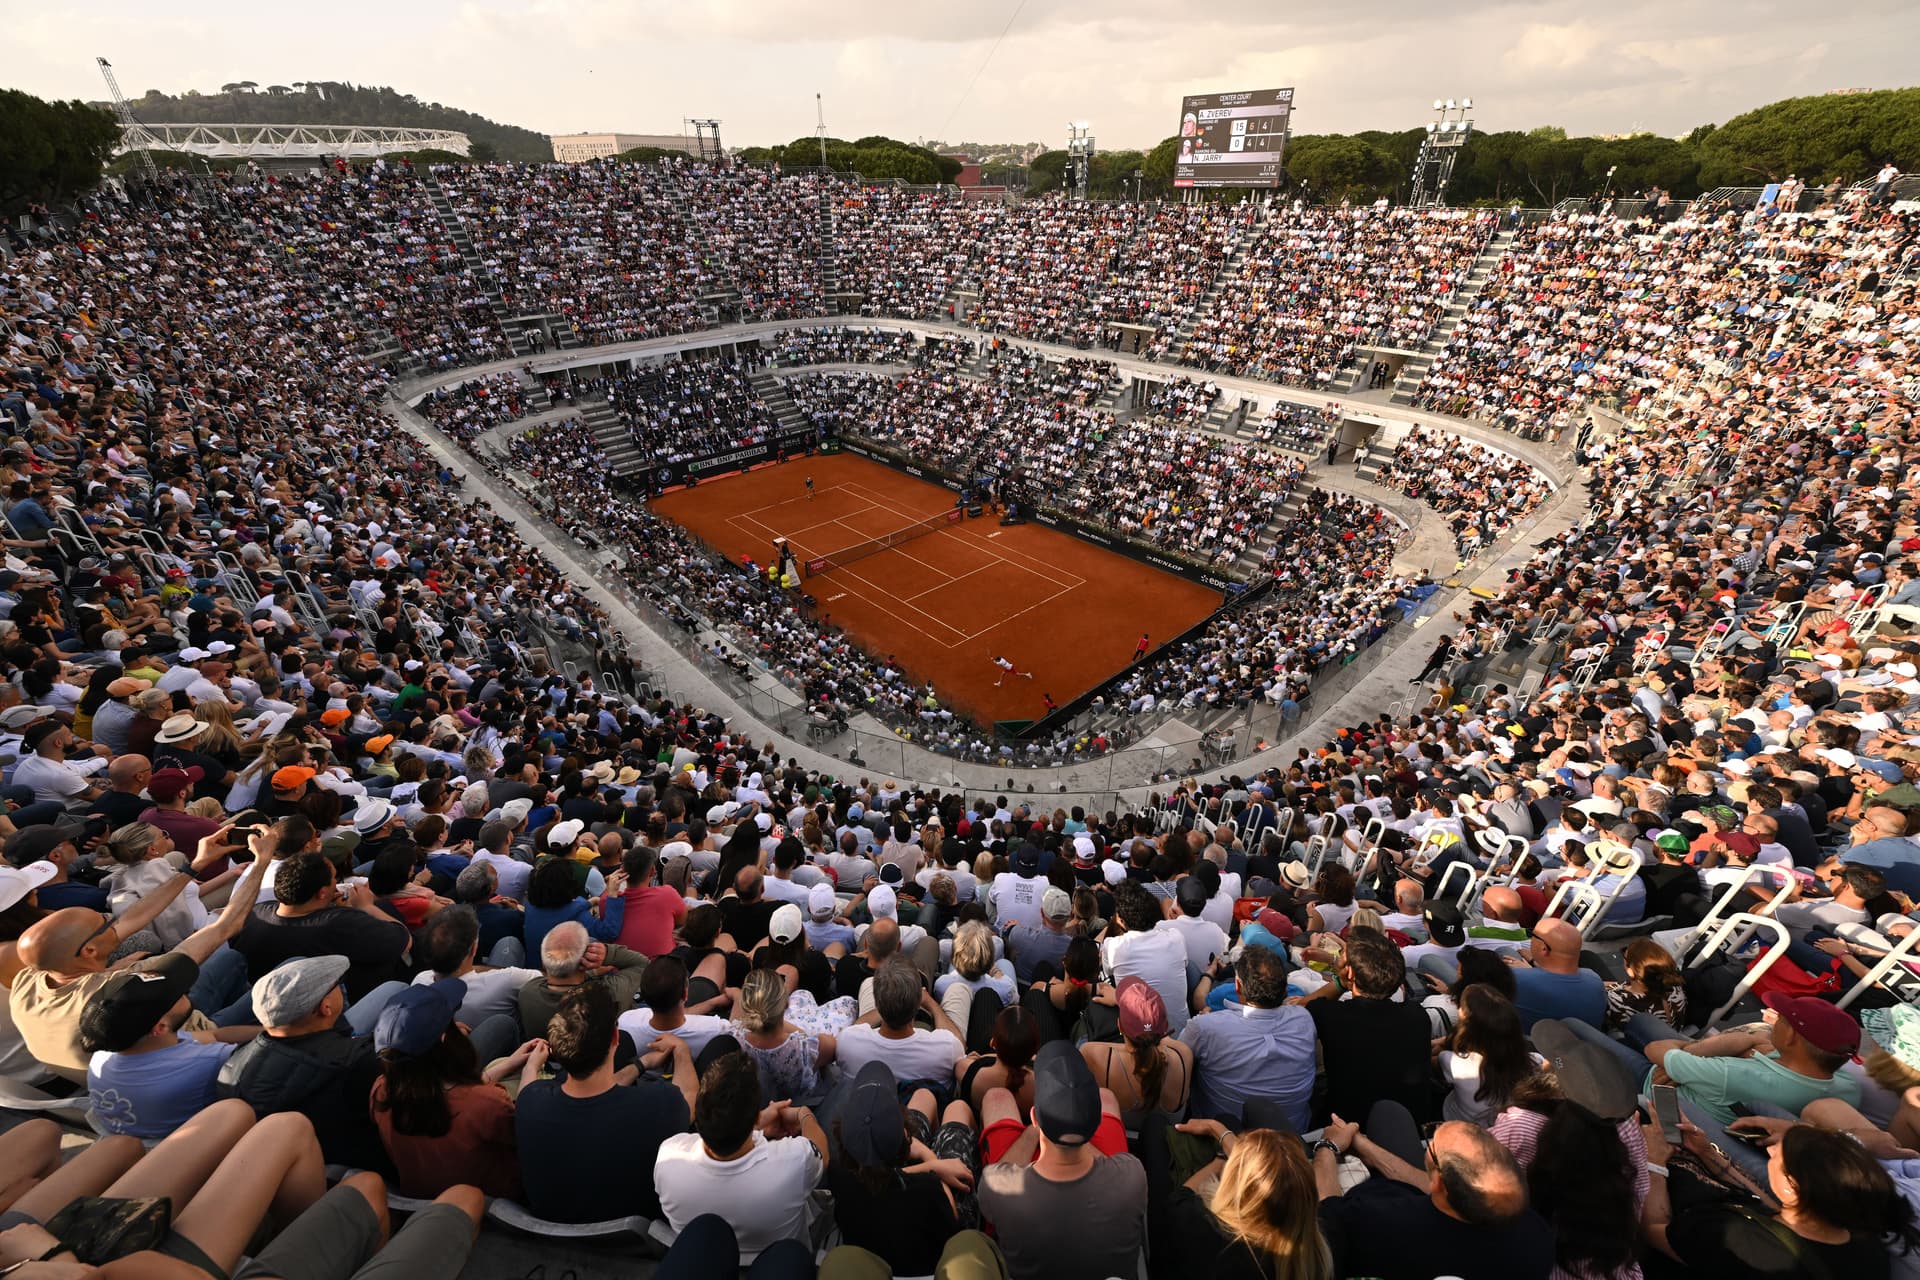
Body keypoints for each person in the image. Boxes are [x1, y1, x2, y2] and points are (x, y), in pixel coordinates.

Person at [10, 830, 271, 1079]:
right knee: (279, 971)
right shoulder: (127, 988)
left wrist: (195, 865)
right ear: (89, 950)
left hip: (106, 1073)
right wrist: (261, 863)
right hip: (187, 1044)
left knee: (230, 959)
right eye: (103, 921)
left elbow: (135, 917)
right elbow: (226, 926)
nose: (111, 919)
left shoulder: (26, 980)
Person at [516, 983, 695, 1224]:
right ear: (615, 1037)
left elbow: (528, 1086)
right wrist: (681, 1050)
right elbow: (690, 1099)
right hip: (631, 1244)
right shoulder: (659, 1105)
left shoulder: (530, 1103)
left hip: (549, 1234)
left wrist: (640, 1064)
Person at [1646, 1120, 1919, 1276]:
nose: (1773, 1150)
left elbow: (1653, 1230)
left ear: (1792, 1186)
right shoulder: (1864, 1240)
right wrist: (1708, 1154)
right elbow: (1779, 1214)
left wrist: (1653, 1162)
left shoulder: (1731, 1235)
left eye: (1779, 1153)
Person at [1314, 1110, 1555, 1279]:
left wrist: (1328, 1146)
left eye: (1432, 1143)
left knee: (1388, 1111)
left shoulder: (1377, 1222)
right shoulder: (1537, 1237)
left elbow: (1326, 1207)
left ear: (1439, 1183)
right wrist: (1365, 1146)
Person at [976, 1040, 1146, 1280]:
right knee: (1106, 1097)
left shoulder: (997, 1187)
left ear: (1034, 1117)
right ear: (1096, 1123)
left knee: (997, 1097)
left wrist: (1034, 1131)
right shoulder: (1133, 1174)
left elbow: (997, 1176)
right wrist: (1076, 1126)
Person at [369, 979, 548, 1199]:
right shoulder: (487, 1103)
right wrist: (531, 1069)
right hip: (492, 1204)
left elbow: (455, 1092)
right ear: (445, 1038)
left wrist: (509, 1063)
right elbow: (528, 1131)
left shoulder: (381, 1090)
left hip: (420, 1198)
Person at [216, 955, 395, 1175]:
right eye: (336, 985)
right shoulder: (356, 1062)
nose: (341, 988)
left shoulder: (234, 1063)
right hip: (350, 1169)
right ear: (326, 1007)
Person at [654, 1049, 829, 1262]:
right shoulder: (794, 1160)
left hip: (704, 1264)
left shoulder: (668, 1156)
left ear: (697, 1116)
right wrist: (804, 1114)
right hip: (778, 1265)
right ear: (755, 1116)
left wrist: (756, 1129)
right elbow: (822, 1152)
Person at [827, 1059, 978, 1274]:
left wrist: (929, 1166)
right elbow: (953, 1226)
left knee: (922, 1097)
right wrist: (931, 1160)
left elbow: (883, 1182)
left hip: (873, 1253)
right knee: (957, 1109)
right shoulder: (929, 1189)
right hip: (930, 1262)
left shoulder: (837, 1174)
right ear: (905, 1135)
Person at [1144, 1118, 1333, 1280]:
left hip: (1168, 1258)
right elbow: (1329, 1199)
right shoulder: (1321, 1253)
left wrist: (1221, 1159)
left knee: (1155, 1125)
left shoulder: (1198, 1223)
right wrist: (1219, 1131)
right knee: (1228, 1119)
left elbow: (1181, 1196)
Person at [80, 952, 235, 1139]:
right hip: (191, 1143)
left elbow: (213, 1035)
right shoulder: (210, 1061)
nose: (186, 991)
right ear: (160, 1027)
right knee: (233, 959)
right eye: (179, 994)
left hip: (141, 1137)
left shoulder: (103, 1054)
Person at [1302, 929, 1435, 1125]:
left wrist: (1340, 983)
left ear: (1349, 972)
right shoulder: (1418, 1015)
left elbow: (1297, 1013)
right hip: (1412, 1124)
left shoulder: (1329, 1014)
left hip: (1349, 1124)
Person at [1180, 947, 1315, 1129]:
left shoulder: (1205, 1027)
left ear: (1238, 986)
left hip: (1222, 1139)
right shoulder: (1304, 1018)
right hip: (1295, 1137)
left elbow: (1177, 1064)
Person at [1081, 974, 1193, 1130]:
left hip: (1123, 1140)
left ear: (1119, 1026)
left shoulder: (1094, 1054)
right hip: (1165, 1140)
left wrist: (1123, 1005)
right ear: (1164, 1028)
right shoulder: (1183, 1054)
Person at [838, 959, 966, 1088]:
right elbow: (960, 1044)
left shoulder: (847, 1041)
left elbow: (858, 1027)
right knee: (958, 988)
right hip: (925, 1103)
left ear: (876, 1003)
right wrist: (931, 1004)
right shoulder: (947, 1047)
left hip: (867, 1101)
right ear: (918, 1004)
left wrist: (887, 1001)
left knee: (868, 983)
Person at [1438, 984, 1541, 1125]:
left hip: (1461, 1122)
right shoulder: (1535, 1061)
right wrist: (1558, 1061)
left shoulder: (1450, 1060)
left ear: (1464, 1021)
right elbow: (1556, 1061)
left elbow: (1431, 1057)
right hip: (1507, 1126)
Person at [1508, 917, 1606, 1030]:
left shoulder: (1516, 978)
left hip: (1528, 1042)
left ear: (1544, 948)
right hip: (1579, 1044)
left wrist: (1528, 971)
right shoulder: (1594, 979)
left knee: (1505, 951)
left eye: (1532, 935)